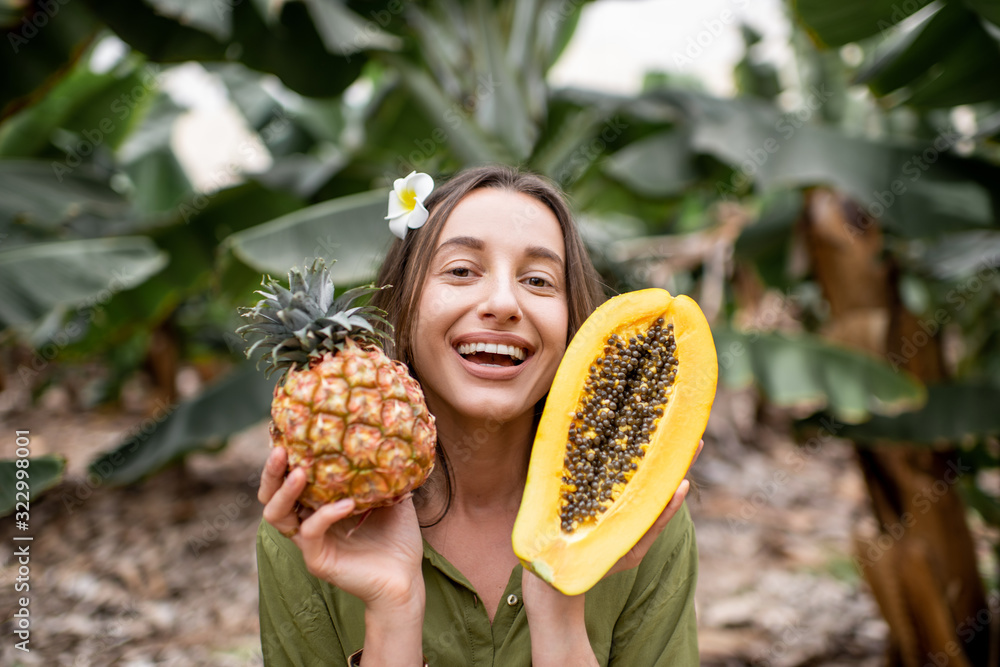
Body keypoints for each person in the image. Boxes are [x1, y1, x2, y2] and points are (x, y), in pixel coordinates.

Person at [255, 165, 702, 666]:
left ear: (575, 323)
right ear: (403, 304)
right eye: (462, 271)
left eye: (537, 280)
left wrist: (558, 610)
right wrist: (392, 610)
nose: (503, 303)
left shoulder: (635, 515)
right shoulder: (315, 521)